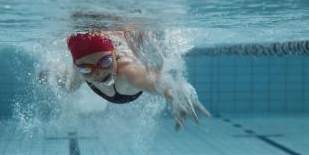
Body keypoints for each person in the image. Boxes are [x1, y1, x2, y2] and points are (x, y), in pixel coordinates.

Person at [39, 31, 210, 130]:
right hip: (86, 68)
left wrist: (172, 93)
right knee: (69, 86)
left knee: (156, 65)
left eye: (105, 62)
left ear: (114, 54)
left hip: (130, 72)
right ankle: (50, 71)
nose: (98, 73)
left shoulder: (126, 69)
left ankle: (144, 36)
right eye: (85, 67)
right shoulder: (82, 68)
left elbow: (151, 81)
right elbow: (77, 73)